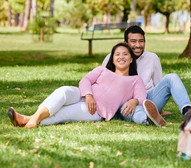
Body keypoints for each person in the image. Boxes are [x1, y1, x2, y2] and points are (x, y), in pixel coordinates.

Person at [8, 43, 164, 128]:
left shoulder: (135, 80)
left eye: (125, 54)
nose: (121, 57)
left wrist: (134, 101)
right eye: (117, 54)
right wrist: (88, 95)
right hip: (82, 95)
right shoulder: (102, 70)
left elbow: (141, 97)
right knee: (63, 92)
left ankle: (26, 120)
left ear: (131, 60)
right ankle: (33, 119)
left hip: (96, 110)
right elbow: (85, 80)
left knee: (63, 114)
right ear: (113, 59)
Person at [102, 25, 191, 123]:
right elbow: (103, 85)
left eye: (141, 41)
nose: (138, 45)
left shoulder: (152, 58)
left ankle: (188, 112)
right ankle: (147, 119)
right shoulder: (113, 57)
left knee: (172, 77)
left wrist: (158, 107)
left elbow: (159, 85)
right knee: (133, 111)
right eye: (133, 41)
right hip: (124, 103)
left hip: (148, 100)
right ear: (125, 43)